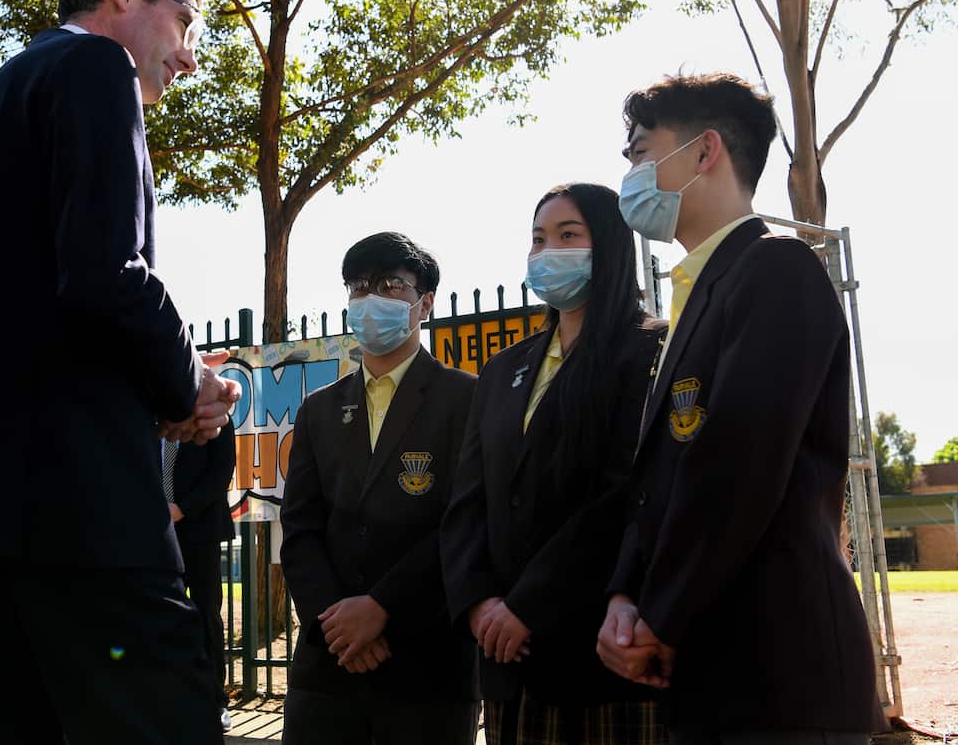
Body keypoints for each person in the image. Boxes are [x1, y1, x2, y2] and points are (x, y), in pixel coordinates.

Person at [0, 0, 240, 743]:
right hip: (80, 504)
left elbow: (44, 297)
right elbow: (105, 271)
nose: (190, 57)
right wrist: (185, 387)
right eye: (186, 21)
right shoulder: (97, 67)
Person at [595, 73, 886, 743]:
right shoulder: (697, 294)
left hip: (783, 678)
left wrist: (657, 614)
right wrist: (624, 594)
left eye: (641, 151)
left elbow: (736, 466)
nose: (631, 173)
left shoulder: (777, 270)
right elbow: (659, 481)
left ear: (705, 152)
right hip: (710, 669)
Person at [440, 182, 668, 745]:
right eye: (538, 240)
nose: (548, 253)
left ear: (609, 246)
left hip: (594, 655)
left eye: (569, 236)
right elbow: (469, 498)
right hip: (507, 658)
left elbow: (622, 494)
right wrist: (480, 605)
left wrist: (529, 605)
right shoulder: (502, 369)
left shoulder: (649, 351)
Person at [280, 232, 480, 745]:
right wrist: (336, 625)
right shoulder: (318, 410)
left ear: (425, 303)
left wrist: (382, 607)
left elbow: (464, 523)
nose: (371, 299)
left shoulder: (469, 399)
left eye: (391, 285)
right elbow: (300, 527)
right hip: (329, 668)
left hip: (425, 668)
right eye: (359, 285)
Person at [164, 423, 239, 733]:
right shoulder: (150, 420)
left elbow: (221, 472)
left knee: (206, 613)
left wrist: (182, 509)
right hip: (157, 534)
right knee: (164, 616)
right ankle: (173, 698)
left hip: (200, 530)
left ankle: (215, 701)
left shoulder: (212, 417)